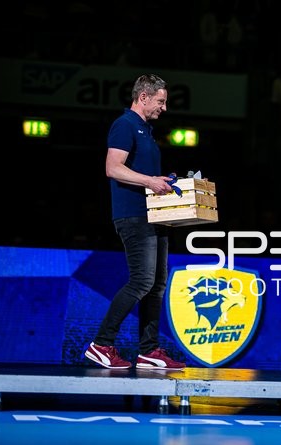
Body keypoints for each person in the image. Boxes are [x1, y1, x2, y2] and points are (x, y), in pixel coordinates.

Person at [84, 74, 185, 371]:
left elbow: (142, 174)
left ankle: (149, 351)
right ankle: (101, 344)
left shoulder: (145, 129)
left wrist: (160, 181)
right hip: (133, 215)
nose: (164, 108)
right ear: (143, 97)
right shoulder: (124, 125)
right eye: (160, 101)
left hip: (155, 216)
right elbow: (112, 168)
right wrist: (150, 181)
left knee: (156, 285)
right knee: (141, 281)